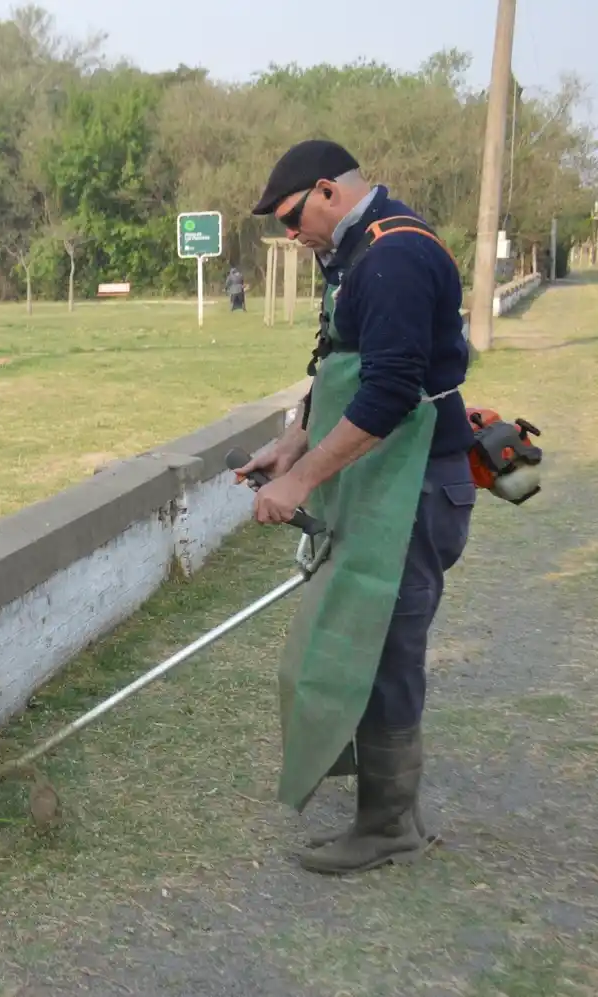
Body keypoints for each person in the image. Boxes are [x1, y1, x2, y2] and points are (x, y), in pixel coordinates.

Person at [237, 139, 478, 875]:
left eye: (289, 217)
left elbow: (390, 391)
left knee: (386, 648)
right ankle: (387, 806)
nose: (289, 235)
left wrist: (300, 482)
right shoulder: (352, 251)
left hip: (417, 485)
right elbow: (341, 357)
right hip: (381, 482)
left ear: (327, 192)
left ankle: (390, 826)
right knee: (360, 637)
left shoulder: (396, 254)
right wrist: (292, 440)